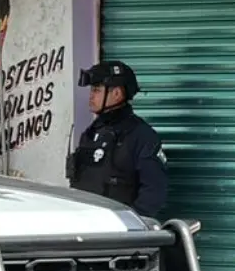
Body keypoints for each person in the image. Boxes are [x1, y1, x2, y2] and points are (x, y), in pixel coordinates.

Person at [67, 60, 168, 218]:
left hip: (120, 234)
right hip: (87, 227)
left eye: (97, 90)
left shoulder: (141, 135)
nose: (91, 96)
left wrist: (130, 226)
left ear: (116, 94)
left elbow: (154, 192)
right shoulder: (91, 132)